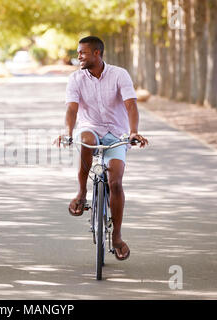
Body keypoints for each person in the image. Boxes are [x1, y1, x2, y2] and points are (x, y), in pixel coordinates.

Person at [56, 36, 148, 261]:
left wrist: (133, 132)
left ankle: (116, 236)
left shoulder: (119, 75)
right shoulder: (76, 78)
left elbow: (131, 105)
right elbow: (71, 109)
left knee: (115, 182)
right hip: (91, 128)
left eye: (83, 53)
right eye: (78, 52)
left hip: (117, 133)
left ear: (97, 53)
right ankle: (82, 192)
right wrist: (68, 133)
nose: (78, 56)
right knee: (85, 138)